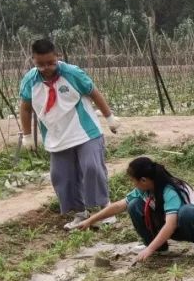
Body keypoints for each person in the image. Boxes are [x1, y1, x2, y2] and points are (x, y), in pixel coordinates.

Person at [20, 38, 120, 230]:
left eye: (50, 62)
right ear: (33, 60)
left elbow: (94, 92)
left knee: (91, 167)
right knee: (61, 176)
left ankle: (104, 210)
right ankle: (80, 214)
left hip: (84, 131)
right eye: (40, 64)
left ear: (57, 57)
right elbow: (25, 108)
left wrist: (109, 117)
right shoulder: (30, 81)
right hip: (56, 136)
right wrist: (26, 135)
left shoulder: (72, 73)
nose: (46, 67)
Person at [75, 157, 194, 262]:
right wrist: (90, 220)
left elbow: (170, 224)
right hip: (172, 224)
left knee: (187, 212)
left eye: (133, 180)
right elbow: (118, 206)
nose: (133, 183)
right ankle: (160, 249)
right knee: (134, 204)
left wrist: (149, 250)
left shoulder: (170, 190)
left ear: (143, 180)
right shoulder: (145, 189)